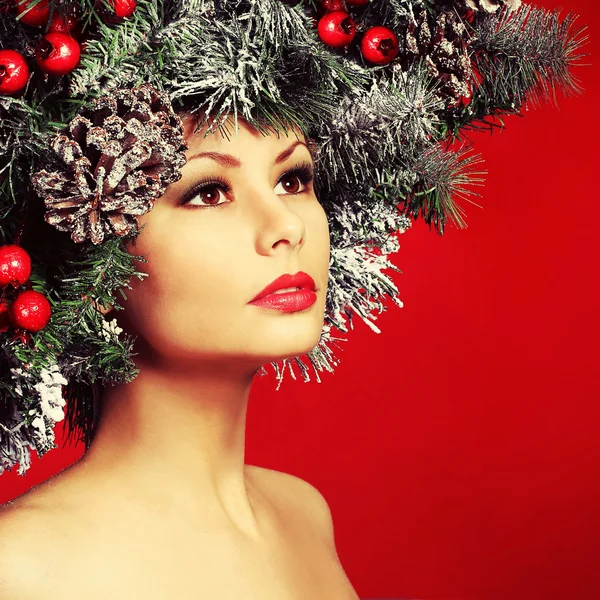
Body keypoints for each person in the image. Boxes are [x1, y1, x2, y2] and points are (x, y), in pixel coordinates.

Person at [0, 109, 361, 598]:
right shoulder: (22, 569)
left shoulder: (304, 513)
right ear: (95, 265)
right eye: (209, 193)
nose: (287, 226)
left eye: (291, 180)